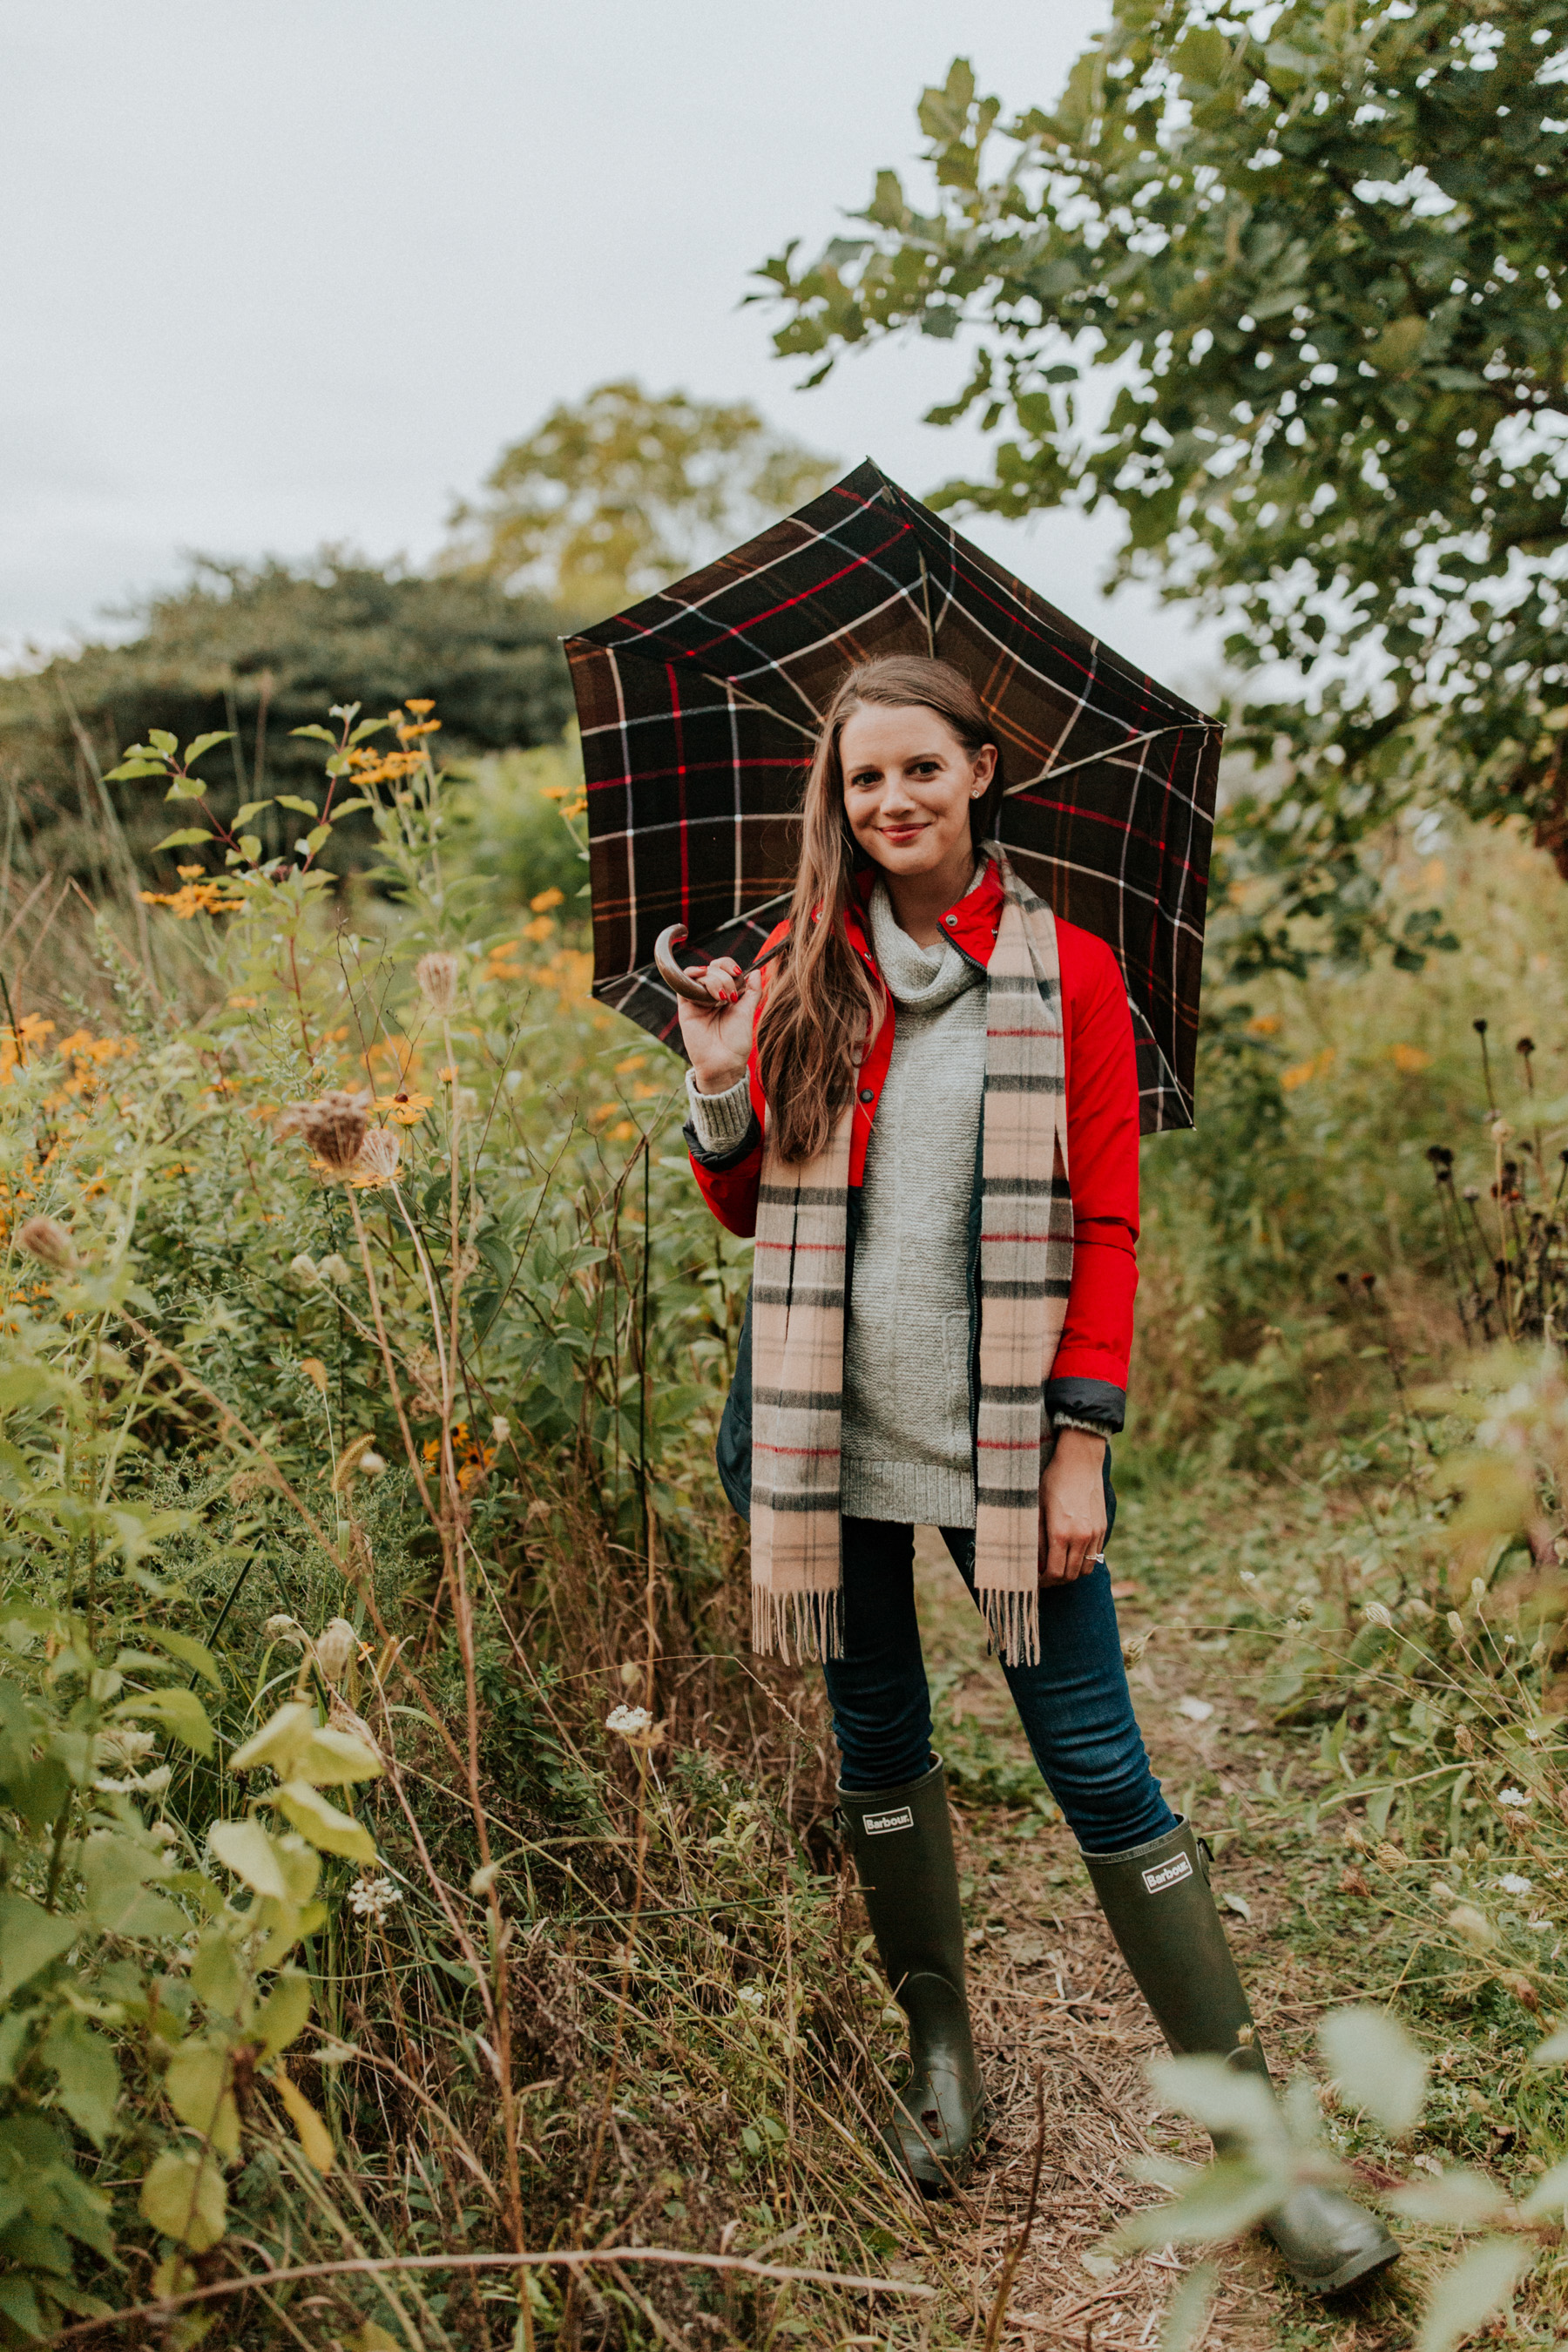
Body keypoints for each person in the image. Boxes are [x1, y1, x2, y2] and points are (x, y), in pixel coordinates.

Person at [675, 654, 1396, 2295]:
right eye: (863, 781)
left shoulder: (1065, 970)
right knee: (879, 1736)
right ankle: (943, 2050)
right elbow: (744, 1209)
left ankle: (1261, 2150)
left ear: (983, 770)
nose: (892, 802)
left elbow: (1112, 1222)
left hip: (1006, 1451)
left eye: (920, 769)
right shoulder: (798, 966)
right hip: (823, 1447)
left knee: (1101, 1769)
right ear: (837, 798)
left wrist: (1081, 1444)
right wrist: (720, 1065)